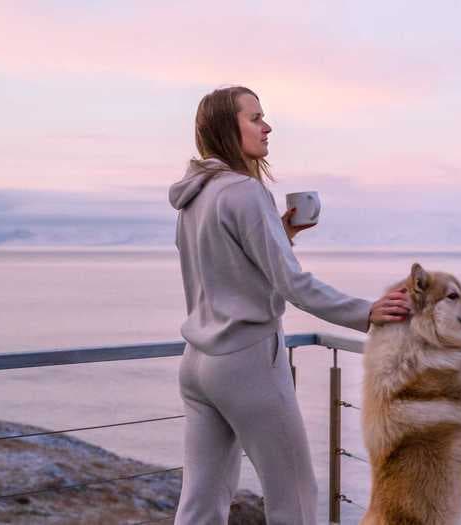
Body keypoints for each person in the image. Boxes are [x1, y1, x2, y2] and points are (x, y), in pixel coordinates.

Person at [168, 86, 411, 525]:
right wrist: (365, 312)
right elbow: (292, 283)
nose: (267, 126)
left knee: (201, 502)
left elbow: (226, 270)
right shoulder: (244, 192)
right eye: (255, 118)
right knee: (294, 494)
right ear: (228, 127)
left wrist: (283, 236)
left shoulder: (193, 199)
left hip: (198, 364)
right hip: (246, 364)